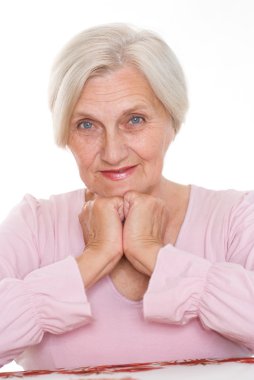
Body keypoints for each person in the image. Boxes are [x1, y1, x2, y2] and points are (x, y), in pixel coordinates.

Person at [1, 23, 254, 371]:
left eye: (134, 120)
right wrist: (92, 259)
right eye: (87, 125)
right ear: (65, 133)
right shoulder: (34, 224)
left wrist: (152, 253)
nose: (113, 152)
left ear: (172, 121)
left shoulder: (235, 218)